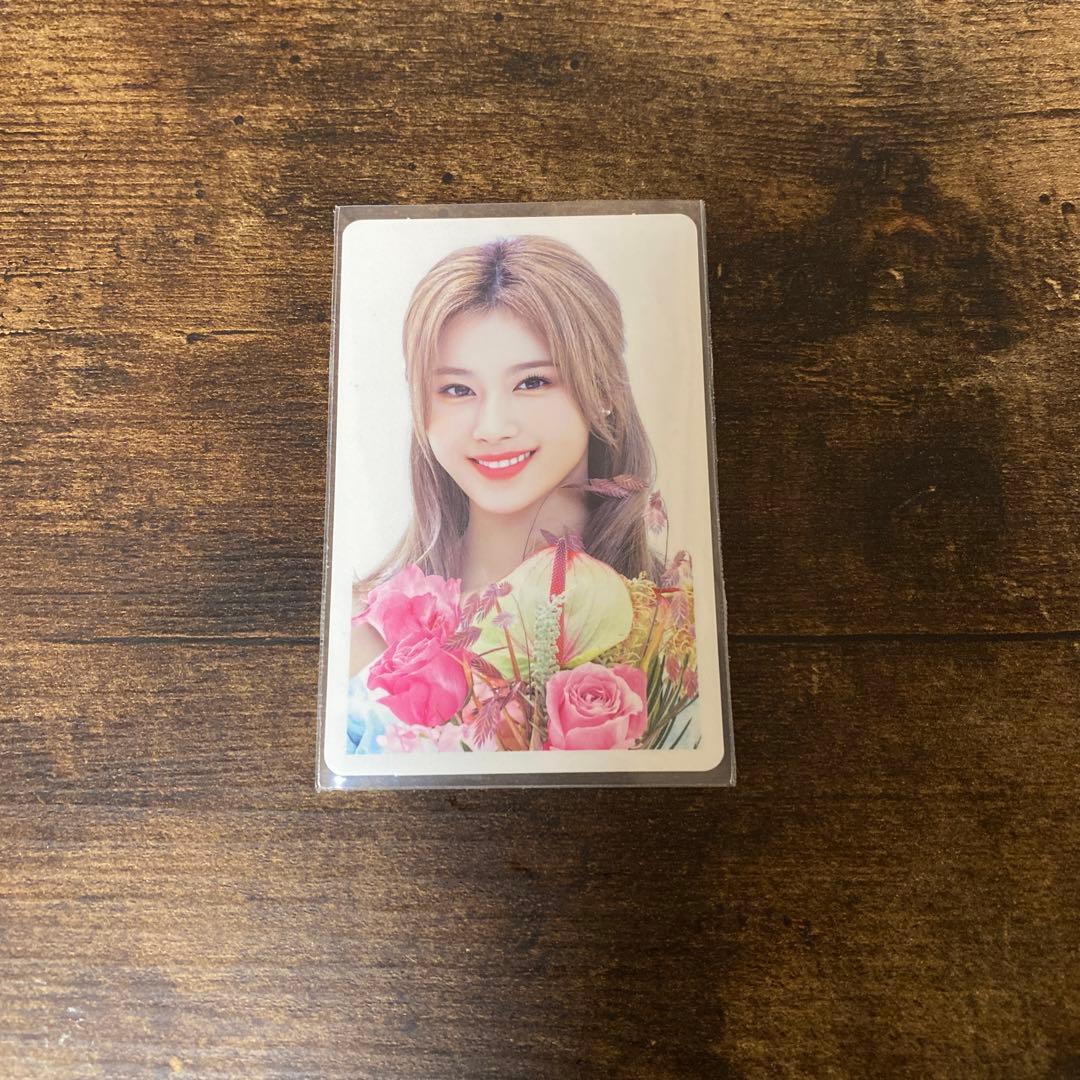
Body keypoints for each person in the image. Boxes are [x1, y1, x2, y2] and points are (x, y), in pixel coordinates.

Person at [350, 234, 660, 679]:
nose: (492, 427)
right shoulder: (362, 634)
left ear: (605, 389)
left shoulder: (667, 621)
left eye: (532, 382)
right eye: (457, 389)